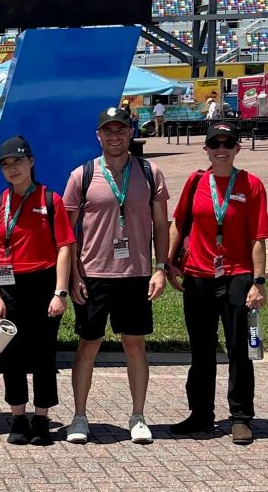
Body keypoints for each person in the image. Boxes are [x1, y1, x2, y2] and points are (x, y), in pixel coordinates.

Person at [63, 107, 170, 445]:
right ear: (98, 135)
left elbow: (161, 226)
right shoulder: (82, 175)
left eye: (120, 130)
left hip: (136, 273)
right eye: (108, 130)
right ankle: (79, 417)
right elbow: (68, 234)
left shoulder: (150, 172)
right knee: (87, 345)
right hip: (93, 274)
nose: (114, 136)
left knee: (134, 345)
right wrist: (73, 276)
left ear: (130, 132)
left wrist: (160, 267)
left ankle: (138, 416)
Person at [167, 121, 268, 444]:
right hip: (198, 275)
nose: (220, 150)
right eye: (215, 144)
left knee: (238, 348)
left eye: (227, 144)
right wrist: (167, 264)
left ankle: (240, 416)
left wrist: (259, 282)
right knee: (201, 350)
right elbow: (178, 224)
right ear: (206, 148)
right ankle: (201, 414)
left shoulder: (251, 185)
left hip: (237, 275)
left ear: (238, 148)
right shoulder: (196, 182)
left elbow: (258, 238)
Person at [0, 136, 75, 445]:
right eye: (6, 165)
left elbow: (64, 248)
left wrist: (60, 293)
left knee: (44, 354)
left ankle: (42, 417)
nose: (12, 169)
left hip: (43, 283)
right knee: (11, 354)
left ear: (31, 162)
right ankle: (18, 417)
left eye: (17, 162)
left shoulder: (51, 200)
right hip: (9, 287)